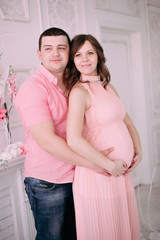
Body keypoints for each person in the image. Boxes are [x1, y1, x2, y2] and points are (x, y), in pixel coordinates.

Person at [14, 28, 128, 240]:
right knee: (53, 237)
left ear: (69, 52)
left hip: (77, 175)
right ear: (39, 54)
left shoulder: (72, 82)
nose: (55, 53)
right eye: (48, 48)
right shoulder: (33, 88)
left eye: (62, 48)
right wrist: (100, 164)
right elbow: (48, 142)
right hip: (49, 182)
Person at [64, 34, 142, 240]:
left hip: (120, 173)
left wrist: (138, 149)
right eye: (78, 55)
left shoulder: (108, 87)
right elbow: (73, 139)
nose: (85, 59)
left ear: (98, 55)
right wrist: (108, 164)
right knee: (106, 230)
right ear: (73, 60)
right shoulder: (79, 92)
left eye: (90, 53)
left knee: (121, 228)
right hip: (99, 174)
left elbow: (128, 122)